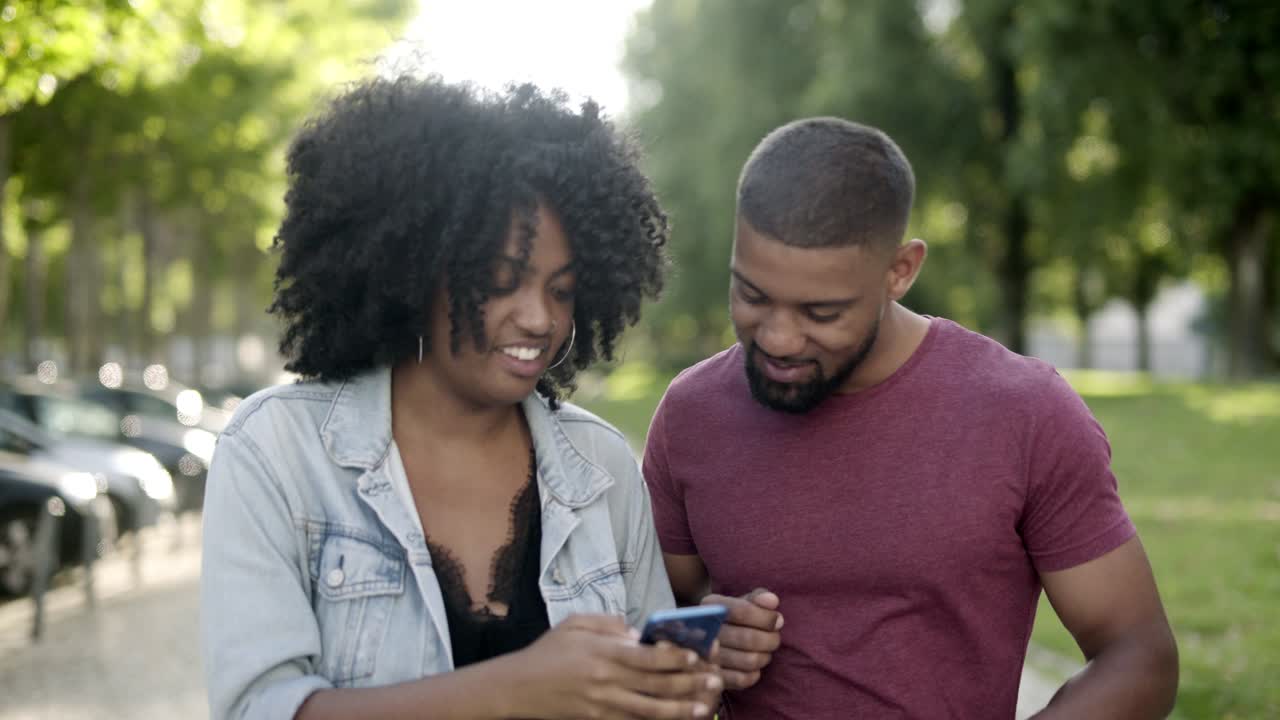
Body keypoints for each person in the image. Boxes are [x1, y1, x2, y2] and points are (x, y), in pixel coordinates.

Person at [200, 76, 721, 720]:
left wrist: (687, 680)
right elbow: (260, 707)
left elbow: (652, 690)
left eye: (562, 291)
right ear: (414, 273)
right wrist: (517, 689)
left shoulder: (601, 465)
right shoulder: (276, 450)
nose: (539, 319)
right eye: (502, 281)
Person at [642, 117, 1179, 719]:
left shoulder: (1025, 412)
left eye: (821, 312)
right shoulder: (691, 415)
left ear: (900, 271)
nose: (780, 338)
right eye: (752, 295)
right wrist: (700, 642)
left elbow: (1137, 653)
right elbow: (647, 616)